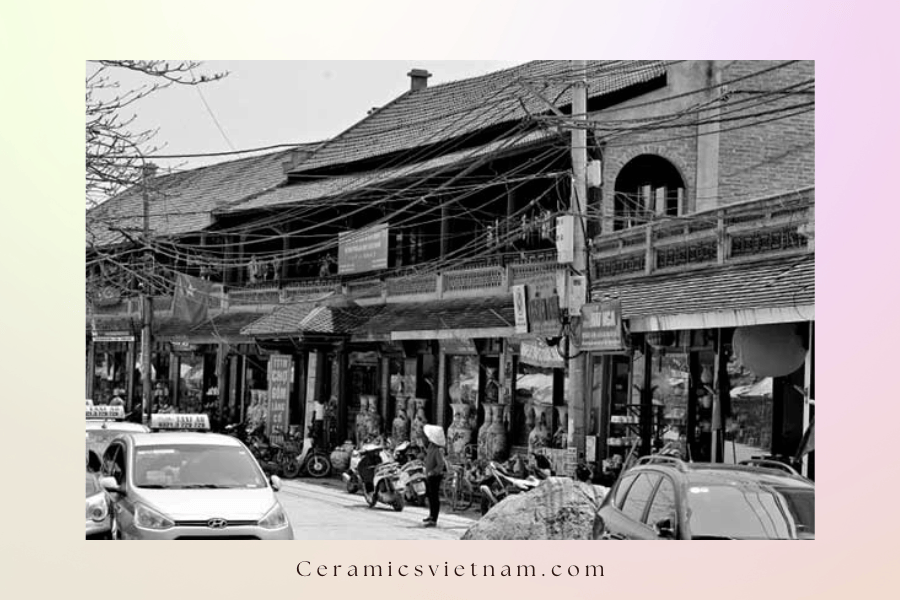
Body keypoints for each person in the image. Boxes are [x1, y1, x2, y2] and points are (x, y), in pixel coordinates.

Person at [422, 425, 447, 528]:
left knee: (434, 497)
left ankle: (434, 519)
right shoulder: (431, 446)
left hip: (435, 476)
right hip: (429, 475)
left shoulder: (438, 450)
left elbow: (440, 464)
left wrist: (433, 472)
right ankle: (431, 515)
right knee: (430, 496)